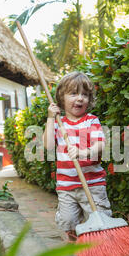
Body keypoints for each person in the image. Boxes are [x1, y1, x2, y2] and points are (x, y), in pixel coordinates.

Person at [43, 71, 112, 242]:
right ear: (61, 98)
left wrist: (83, 152)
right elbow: (49, 145)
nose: (80, 98)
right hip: (67, 186)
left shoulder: (91, 121)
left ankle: (96, 252)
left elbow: (101, 144)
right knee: (67, 222)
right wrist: (51, 118)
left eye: (85, 95)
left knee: (98, 221)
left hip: (92, 184)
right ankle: (77, 247)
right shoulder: (60, 124)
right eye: (73, 93)